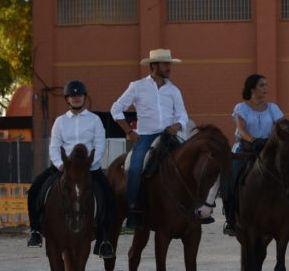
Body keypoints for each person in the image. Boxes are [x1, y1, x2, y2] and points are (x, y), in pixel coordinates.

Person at [26, 80, 116, 259]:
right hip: (62, 168)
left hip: (90, 169)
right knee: (35, 189)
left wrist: (87, 166)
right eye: (72, 96)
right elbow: (54, 146)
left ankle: (103, 240)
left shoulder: (95, 120)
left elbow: (99, 146)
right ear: (67, 99)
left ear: (84, 97)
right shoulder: (60, 122)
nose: (76, 98)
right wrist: (61, 165)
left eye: (79, 95)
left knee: (109, 198)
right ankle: (35, 230)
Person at [222, 73, 289, 236]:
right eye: (262, 85)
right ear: (252, 88)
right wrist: (253, 140)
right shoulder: (241, 108)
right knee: (230, 177)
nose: (266, 88)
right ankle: (231, 219)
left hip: (269, 149)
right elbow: (241, 129)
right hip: (247, 149)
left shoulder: (273, 108)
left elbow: (282, 126)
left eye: (266, 85)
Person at [110, 49, 192, 230]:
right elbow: (116, 109)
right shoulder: (137, 86)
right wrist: (130, 133)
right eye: (165, 64)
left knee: (189, 163)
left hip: (170, 135)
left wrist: (177, 126)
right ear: (154, 66)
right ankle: (133, 209)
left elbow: (182, 115)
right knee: (136, 165)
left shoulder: (173, 90)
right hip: (146, 135)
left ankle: (194, 207)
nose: (169, 67)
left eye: (169, 64)